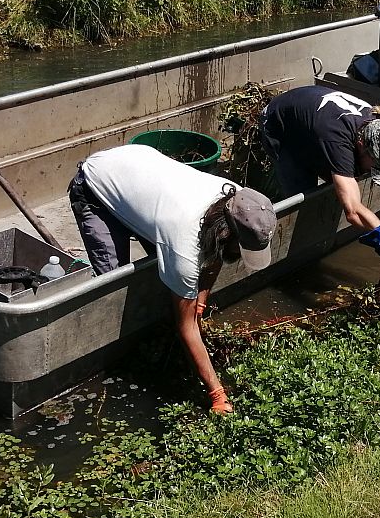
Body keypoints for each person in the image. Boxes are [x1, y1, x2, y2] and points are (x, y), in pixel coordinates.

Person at [67, 144, 277, 414]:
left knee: (174, 278)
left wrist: (200, 301)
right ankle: (119, 354)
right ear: (225, 234)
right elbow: (186, 326)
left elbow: (215, 255)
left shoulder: (236, 201)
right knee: (114, 282)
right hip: (95, 184)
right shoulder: (184, 244)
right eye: (241, 247)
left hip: (139, 169)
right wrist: (217, 394)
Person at [259, 85, 380, 266]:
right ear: (362, 147)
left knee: (342, 180)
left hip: (312, 115)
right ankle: (299, 254)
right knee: (304, 196)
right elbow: (353, 212)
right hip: (279, 127)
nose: (374, 173)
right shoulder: (338, 142)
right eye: (376, 167)